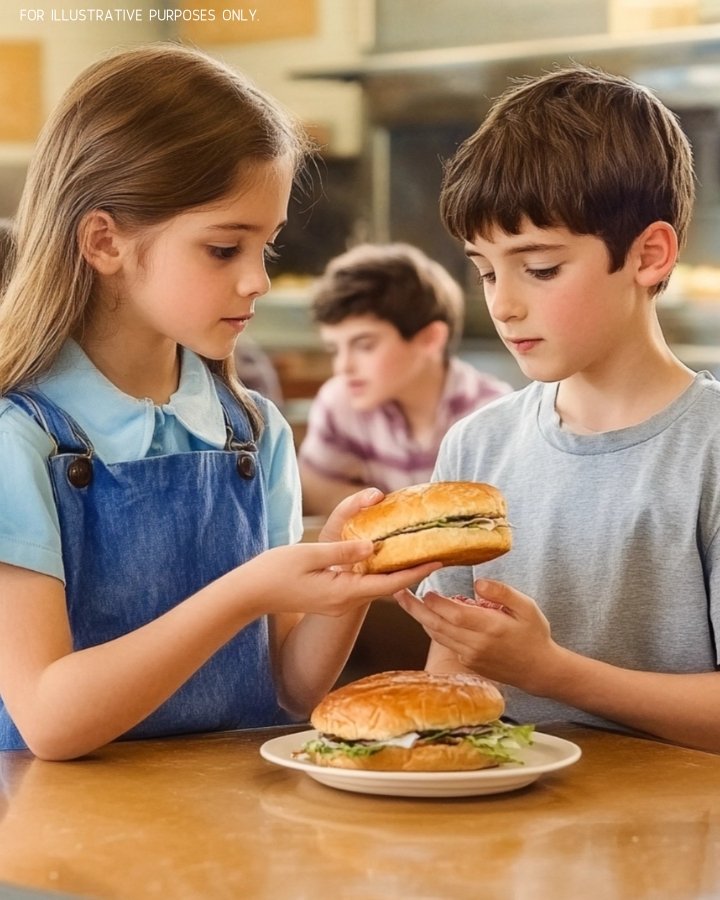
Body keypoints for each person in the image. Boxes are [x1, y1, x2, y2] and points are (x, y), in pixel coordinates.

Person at [0, 44, 439, 761]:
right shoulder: (20, 439)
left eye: (265, 247)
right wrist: (244, 592)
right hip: (61, 847)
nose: (257, 281)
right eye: (223, 249)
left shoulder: (252, 433)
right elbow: (50, 720)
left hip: (233, 829)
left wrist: (350, 579)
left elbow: (292, 688)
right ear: (105, 241)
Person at [395, 64, 720, 754]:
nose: (504, 303)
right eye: (485, 270)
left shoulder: (710, 448)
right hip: (509, 840)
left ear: (649, 256)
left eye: (539, 268)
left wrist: (551, 673)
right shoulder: (477, 446)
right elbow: (450, 686)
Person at [298, 242, 512, 515]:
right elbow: (317, 491)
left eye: (365, 345)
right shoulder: (341, 400)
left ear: (430, 339)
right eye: (334, 349)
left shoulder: (492, 414)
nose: (343, 367)